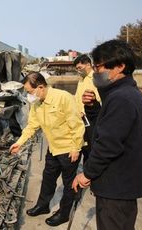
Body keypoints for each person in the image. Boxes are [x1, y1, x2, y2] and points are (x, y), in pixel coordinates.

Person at [72, 39, 142, 230]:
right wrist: (93, 108)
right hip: (123, 183)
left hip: (117, 185)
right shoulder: (127, 93)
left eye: (98, 67)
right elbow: (108, 125)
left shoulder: (121, 98)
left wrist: (87, 174)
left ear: (119, 66)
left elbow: (108, 144)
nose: (95, 72)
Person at [9, 72, 85, 226]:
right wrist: (20, 142)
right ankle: (43, 205)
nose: (29, 95)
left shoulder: (63, 97)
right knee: (48, 178)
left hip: (68, 148)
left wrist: (76, 148)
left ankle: (64, 213)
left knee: (69, 182)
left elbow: (77, 124)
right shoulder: (37, 103)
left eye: (30, 92)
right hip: (54, 148)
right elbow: (32, 126)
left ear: (41, 87)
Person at [74, 54, 101, 162]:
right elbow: (77, 98)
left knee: (91, 145)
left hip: (92, 117)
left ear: (88, 65)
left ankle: (92, 170)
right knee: (83, 146)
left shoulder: (96, 78)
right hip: (80, 119)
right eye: (76, 69)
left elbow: (99, 99)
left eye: (80, 68)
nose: (78, 71)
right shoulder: (81, 80)